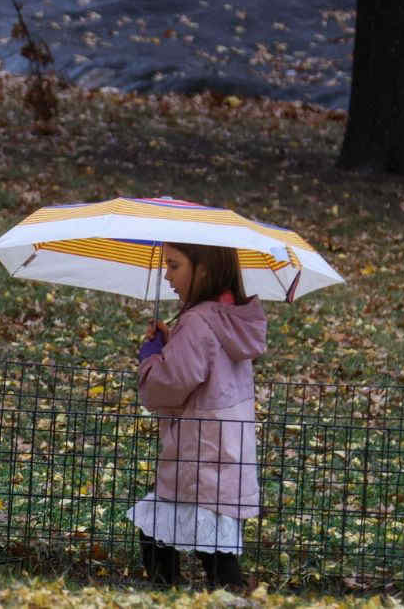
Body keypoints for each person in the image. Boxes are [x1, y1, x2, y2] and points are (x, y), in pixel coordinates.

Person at [126, 242, 265, 589]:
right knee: (186, 536)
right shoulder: (229, 317)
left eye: (174, 265)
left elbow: (167, 388)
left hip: (199, 453)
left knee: (186, 539)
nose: (167, 275)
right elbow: (206, 370)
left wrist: (151, 356)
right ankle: (187, 592)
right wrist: (175, 344)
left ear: (203, 270)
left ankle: (175, 592)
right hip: (226, 450)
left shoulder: (197, 321)